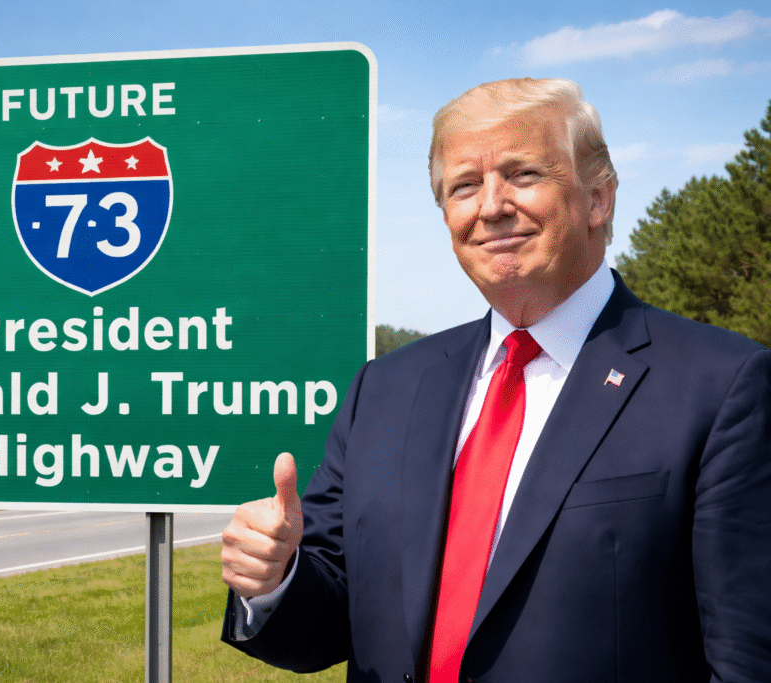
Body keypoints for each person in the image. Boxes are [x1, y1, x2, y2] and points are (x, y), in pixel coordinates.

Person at [219, 77, 771, 683]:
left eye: (524, 174)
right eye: (463, 187)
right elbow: (331, 622)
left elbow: (747, 658)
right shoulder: (384, 391)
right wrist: (274, 579)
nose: (491, 206)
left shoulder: (722, 387)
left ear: (599, 198)